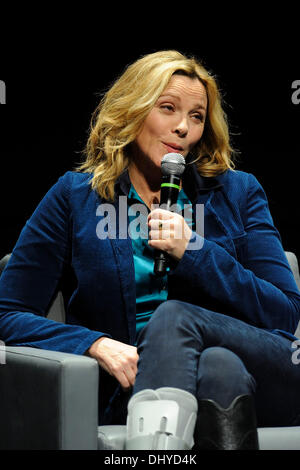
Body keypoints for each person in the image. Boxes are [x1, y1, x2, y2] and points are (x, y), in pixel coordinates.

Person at [0, 50, 300, 450]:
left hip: (265, 373)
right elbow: (7, 311)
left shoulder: (238, 192)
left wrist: (194, 250)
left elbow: (283, 310)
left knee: (176, 319)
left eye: (196, 116)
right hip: (137, 385)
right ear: (134, 110)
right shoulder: (75, 197)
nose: (182, 128)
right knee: (217, 367)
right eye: (168, 108)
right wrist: (93, 343)